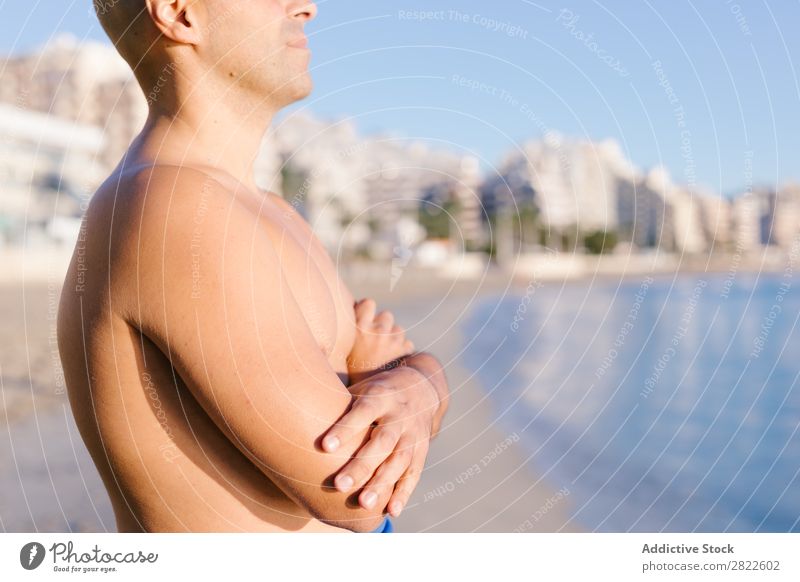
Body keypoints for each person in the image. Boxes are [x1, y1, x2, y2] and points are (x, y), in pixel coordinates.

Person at [57, 0, 449, 533]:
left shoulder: (269, 211)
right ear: (178, 13)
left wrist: (419, 387)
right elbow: (354, 490)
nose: (307, 7)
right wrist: (405, 379)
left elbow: (397, 386)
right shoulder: (172, 205)